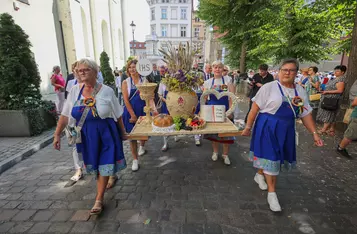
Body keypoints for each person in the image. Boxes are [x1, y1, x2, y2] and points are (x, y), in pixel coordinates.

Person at [242, 58, 323, 212]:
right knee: (272, 158)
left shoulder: (300, 91)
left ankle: (259, 174)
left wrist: (315, 134)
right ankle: (272, 194)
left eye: (291, 70)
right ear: (279, 71)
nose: (287, 72)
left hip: (286, 129)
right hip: (267, 126)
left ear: (296, 73)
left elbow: (305, 115)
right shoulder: (269, 88)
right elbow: (254, 109)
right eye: (284, 69)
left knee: (275, 157)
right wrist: (248, 127)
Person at [53, 58, 127, 215]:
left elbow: (118, 115)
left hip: (107, 134)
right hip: (87, 136)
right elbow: (65, 115)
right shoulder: (74, 91)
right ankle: (104, 187)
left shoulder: (107, 91)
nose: (82, 72)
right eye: (79, 70)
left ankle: (98, 199)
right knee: (96, 167)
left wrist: (123, 133)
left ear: (95, 71)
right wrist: (57, 134)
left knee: (104, 165)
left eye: (86, 69)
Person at [122, 59, 157, 171]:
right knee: (132, 137)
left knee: (143, 134)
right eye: (130, 67)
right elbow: (126, 100)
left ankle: (142, 145)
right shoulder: (126, 82)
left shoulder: (145, 80)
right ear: (128, 69)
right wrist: (132, 115)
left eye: (134, 67)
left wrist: (154, 110)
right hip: (130, 111)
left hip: (143, 110)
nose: (132, 69)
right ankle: (135, 160)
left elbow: (150, 97)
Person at [203, 61, 235, 165]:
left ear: (222, 69)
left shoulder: (228, 81)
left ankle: (225, 155)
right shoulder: (207, 82)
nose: (217, 69)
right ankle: (215, 152)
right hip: (212, 111)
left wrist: (230, 110)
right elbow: (204, 98)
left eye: (219, 67)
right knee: (215, 134)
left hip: (225, 111)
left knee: (226, 134)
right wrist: (203, 111)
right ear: (212, 69)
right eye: (215, 67)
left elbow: (231, 97)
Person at [316, 65, 347, 136]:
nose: (335, 72)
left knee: (328, 114)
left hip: (332, 100)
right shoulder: (336, 78)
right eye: (335, 70)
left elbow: (340, 90)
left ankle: (324, 129)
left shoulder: (341, 80)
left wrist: (327, 92)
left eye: (338, 71)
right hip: (329, 99)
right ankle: (331, 129)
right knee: (332, 114)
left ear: (343, 72)